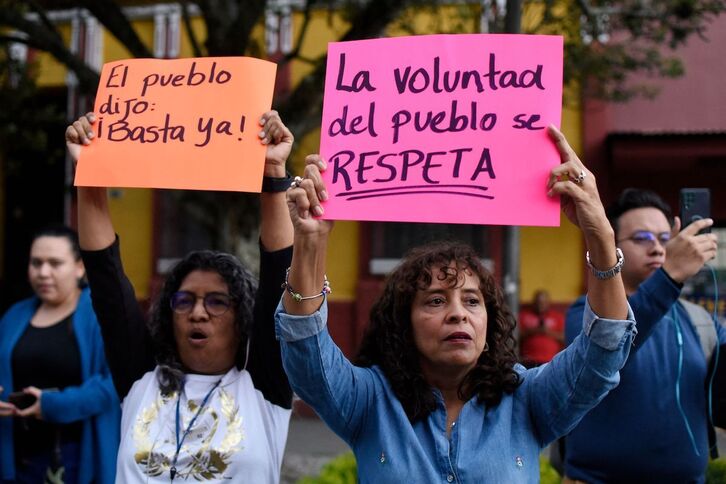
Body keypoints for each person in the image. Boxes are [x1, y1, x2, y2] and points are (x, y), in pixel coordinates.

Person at [275, 126, 636, 482]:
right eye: (435, 300)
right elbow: (307, 352)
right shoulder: (369, 402)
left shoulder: (528, 399)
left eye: (472, 301)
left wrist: (600, 234)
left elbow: (603, 351)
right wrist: (311, 242)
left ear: (489, 322)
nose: (458, 313)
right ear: (404, 323)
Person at [65, 110, 294, 482]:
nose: (198, 313)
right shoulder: (141, 379)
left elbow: (278, 272)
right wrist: (89, 172)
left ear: (243, 317)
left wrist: (272, 172)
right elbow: (106, 277)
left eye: (217, 302)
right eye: (184, 301)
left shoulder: (263, 387)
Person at [563, 188, 723, 483]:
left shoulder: (701, 321)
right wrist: (670, 275)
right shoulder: (585, 314)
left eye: (665, 239)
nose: (658, 249)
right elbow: (610, 342)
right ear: (612, 247)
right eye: (642, 239)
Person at [0, 226, 119, 483]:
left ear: (79, 267)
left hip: (75, 457)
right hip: (17, 458)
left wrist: (53, 405)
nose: (43, 273)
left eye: (55, 263)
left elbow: (115, 382)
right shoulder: (15, 315)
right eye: (36, 263)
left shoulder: (100, 314)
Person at [518, 289, 564, 367]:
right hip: (529, 361)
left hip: (550, 361)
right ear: (534, 303)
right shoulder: (524, 315)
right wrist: (534, 331)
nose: (540, 305)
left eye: (543, 303)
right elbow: (516, 335)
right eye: (538, 302)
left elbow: (564, 337)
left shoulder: (557, 317)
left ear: (548, 303)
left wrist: (547, 332)